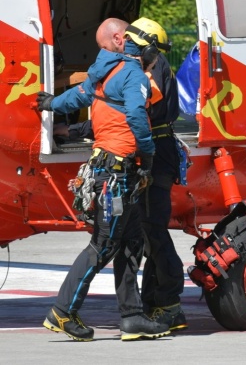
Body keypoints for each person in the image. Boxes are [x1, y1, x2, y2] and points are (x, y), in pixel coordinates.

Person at [37, 18, 170, 341]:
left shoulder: (104, 71)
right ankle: (62, 312)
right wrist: (148, 154)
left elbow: (78, 97)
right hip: (118, 173)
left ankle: (132, 316)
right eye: (158, 52)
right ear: (148, 49)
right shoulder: (133, 74)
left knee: (132, 240)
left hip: (108, 171)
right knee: (103, 245)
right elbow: (138, 116)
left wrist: (51, 103)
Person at [125, 17, 188, 331]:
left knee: (154, 231)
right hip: (156, 152)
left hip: (157, 154)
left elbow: (139, 111)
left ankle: (171, 304)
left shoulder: (155, 67)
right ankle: (155, 301)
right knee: (150, 232)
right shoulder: (151, 65)